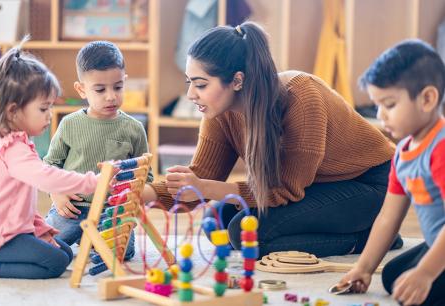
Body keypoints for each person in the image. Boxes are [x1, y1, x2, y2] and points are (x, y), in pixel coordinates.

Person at [141, 21, 402, 258]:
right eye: (190, 82)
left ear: (237, 81)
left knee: (247, 236)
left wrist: (205, 187)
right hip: (315, 185)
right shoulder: (219, 112)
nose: (190, 94)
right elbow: (199, 178)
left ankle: (368, 238)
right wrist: (144, 194)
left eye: (200, 84)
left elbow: (284, 189)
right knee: (218, 222)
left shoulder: (301, 98)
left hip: (373, 185)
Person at [338, 40, 445, 306]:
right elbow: (388, 217)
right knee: (394, 277)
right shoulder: (403, 152)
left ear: (427, 99)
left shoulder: (440, 149)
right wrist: (363, 268)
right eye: (377, 105)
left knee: (423, 289)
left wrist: (425, 273)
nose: (381, 115)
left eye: (390, 104)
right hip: (438, 243)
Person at [0, 38, 99, 279]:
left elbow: (18, 199)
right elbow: (47, 178)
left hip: (16, 228)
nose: (49, 116)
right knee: (56, 263)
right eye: (43, 109)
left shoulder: (20, 140)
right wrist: (92, 182)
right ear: (13, 111)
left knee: (66, 253)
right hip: (0, 235)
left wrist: (38, 226)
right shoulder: (11, 148)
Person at [44, 41, 153, 262]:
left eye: (118, 87)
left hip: (111, 213)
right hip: (72, 209)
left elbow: (146, 176)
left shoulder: (134, 128)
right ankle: (84, 236)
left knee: (120, 254)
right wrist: (57, 193)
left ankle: (91, 239)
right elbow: (49, 166)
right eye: (100, 90)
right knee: (46, 247)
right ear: (81, 89)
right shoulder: (69, 124)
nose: (111, 96)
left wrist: (130, 201)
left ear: (125, 82)